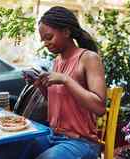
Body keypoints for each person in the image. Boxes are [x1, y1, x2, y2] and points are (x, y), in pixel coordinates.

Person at [28, 6, 106, 159]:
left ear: (66, 31)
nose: (46, 43)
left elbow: (99, 107)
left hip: (82, 142)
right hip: (52, 135)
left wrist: (66, 80)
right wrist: (40, 86)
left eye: (49, 37)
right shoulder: (57, 61)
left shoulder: (88, 58)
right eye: (43, 40)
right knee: (11, 148)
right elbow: (60, 102)